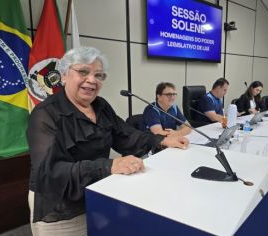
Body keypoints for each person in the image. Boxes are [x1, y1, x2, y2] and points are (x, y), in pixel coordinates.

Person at [26, 46, 189, 236]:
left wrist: (161, 141)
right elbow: (51, 172)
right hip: (61, 208)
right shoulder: (45, 114)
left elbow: (127, 136)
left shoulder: (100, 106)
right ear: (63, 76)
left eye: (99, 75)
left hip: (98, 194)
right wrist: (109, 166)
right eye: (83, 72)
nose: (92, 80)